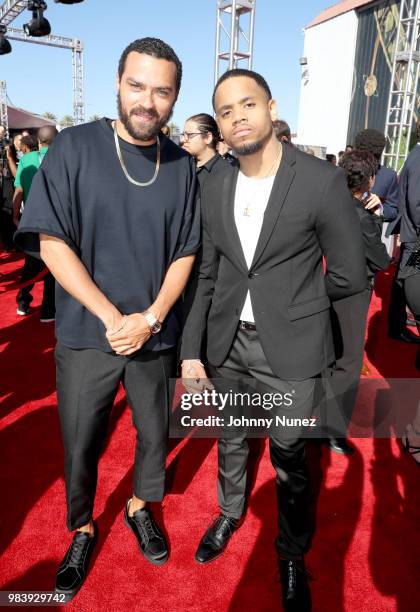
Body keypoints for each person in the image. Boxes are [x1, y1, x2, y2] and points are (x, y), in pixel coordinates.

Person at [14, 37, 200, 600]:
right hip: (85, 334)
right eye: (138, 85)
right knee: (81, 439)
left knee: (152, 434)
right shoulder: (72, 148)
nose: (148, 101)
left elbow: (186, 251)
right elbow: (50, 242)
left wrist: (151, 317)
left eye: (162, 91)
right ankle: (82, 525)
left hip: (154, 332)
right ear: (118, 83)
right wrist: (113, 317)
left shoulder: (184, 166)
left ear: (174, 98)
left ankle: (142, 507)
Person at [180, 68, 366, 610]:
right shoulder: (214, 183)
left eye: (248, 104)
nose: (238, 116)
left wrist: (323, 342)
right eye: (226, 111)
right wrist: (192, 351)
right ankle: (230, 513)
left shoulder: (318, 180)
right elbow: (207, 275)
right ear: (219, 125)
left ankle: (290, 553)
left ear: (270, 107)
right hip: (225, 345)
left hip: (292, 347)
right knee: (232, 439)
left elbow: (350, 276)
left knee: (290, 458)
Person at [326, 150, 390, 455]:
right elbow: (381, 259)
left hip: (322, 287)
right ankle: (334, 431)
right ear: (368, 180)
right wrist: (376, 218)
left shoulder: (327, 206)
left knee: (325, 355)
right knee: (348, 362)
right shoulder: (364, 217)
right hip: (352, 295)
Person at [13, 128, 57, 321]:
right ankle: (48, 311)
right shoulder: (63, 160)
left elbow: (19, 191)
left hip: (32, 219)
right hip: (57, 221)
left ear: (39, 142)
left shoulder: (25, 160)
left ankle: (23, 302)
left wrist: (15, 216)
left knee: (31, 264)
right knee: (55, 267)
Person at [387, 121, 420, 344]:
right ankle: (398, 326)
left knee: (402, 282)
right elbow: (416, 202)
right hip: (416, 239)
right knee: (408, 282)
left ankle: (396, 326)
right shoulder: (418, 158)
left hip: (412, 236)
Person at [354, 129, 398, 223]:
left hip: (370, 233)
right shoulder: (346, 170)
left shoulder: (388, 176)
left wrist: (380, 209)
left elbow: (393, 210)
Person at [181, 113, 228, 188]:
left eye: (189, 135)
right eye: (183, 135)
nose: (183, 140)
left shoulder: (228, 172)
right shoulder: (185, 168)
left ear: (208, 138)